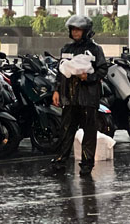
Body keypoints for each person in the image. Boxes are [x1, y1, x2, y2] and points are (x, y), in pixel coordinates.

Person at [42, 15, 107, 177]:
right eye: (73, 29)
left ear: (86, 31)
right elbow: (60, 72)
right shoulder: (66, 49)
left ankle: (86, 166)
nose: (75, 32)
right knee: (65, 132)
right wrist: (56, 90)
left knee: (89, 133)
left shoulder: (95, 49)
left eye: (78, 29)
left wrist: (88, 77)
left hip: (88, 98)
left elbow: (103, 69)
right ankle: (58, 164)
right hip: (69, 98)